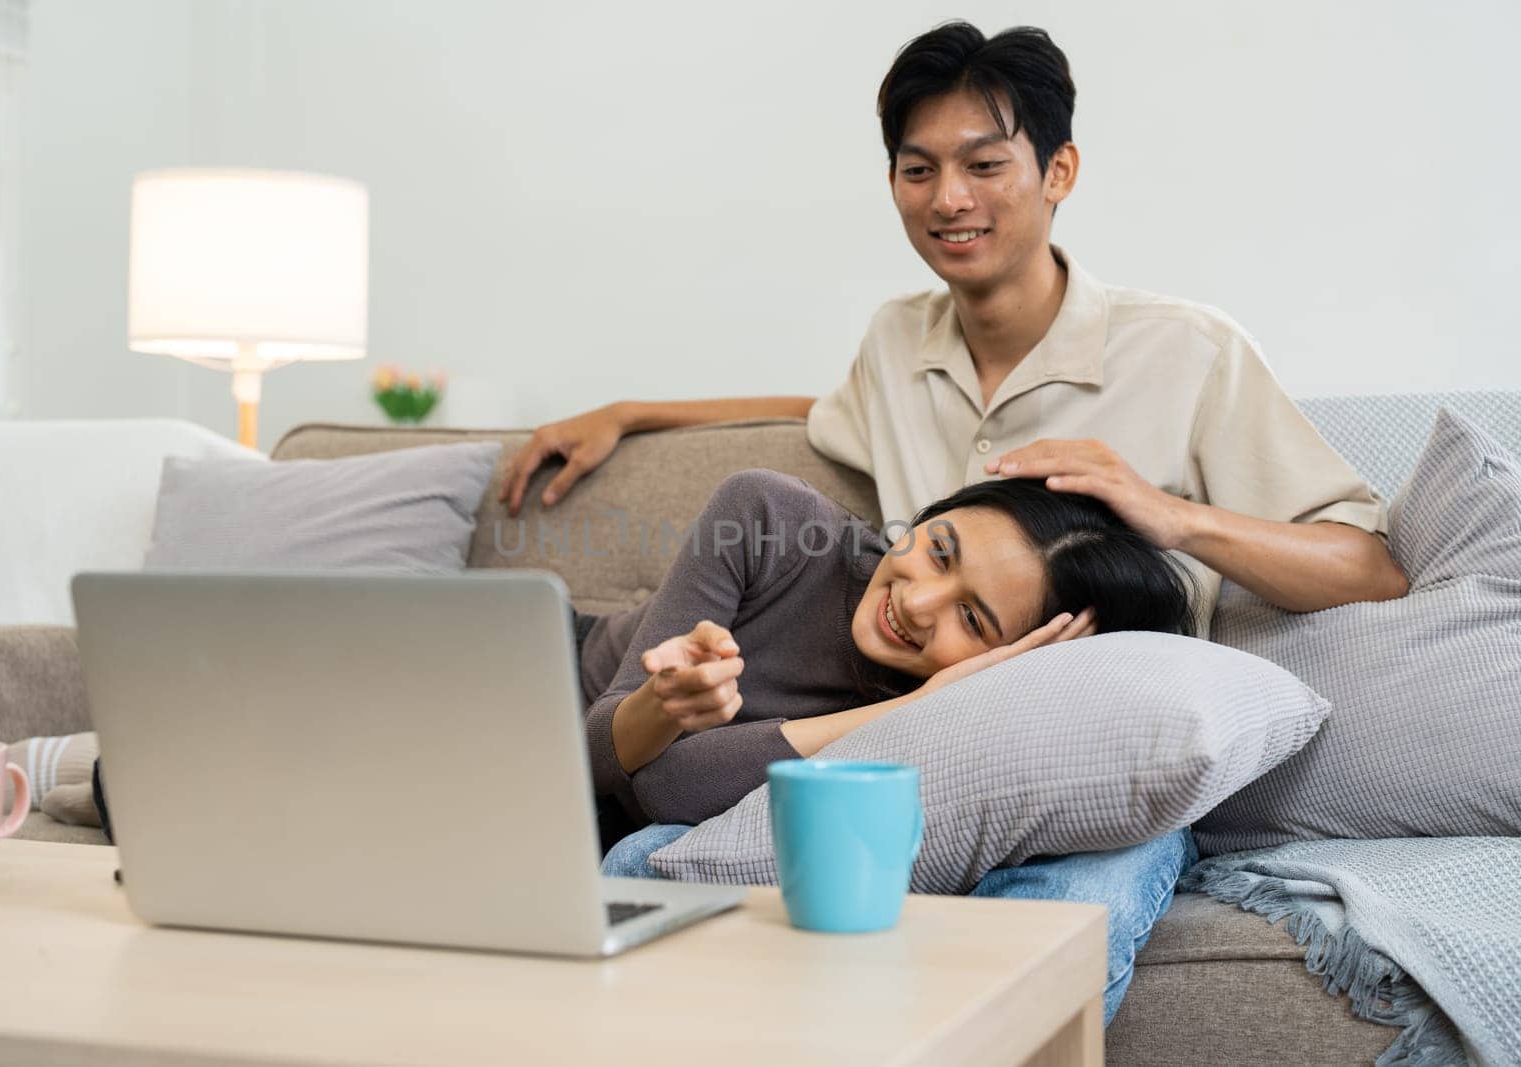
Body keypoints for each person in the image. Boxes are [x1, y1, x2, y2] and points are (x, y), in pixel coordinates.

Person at [498, 22, 1408, 1024]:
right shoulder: (897, 343)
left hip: (1105, 733)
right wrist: (632, 412)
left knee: (1077, 898)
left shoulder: (1188, 351)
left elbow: (1369, 565)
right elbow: (798, 420)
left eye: (984, 164)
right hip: (925, 722)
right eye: (917, 169)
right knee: (665, 862)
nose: (948, 199)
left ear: (1058, 169)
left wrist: (1171, 514)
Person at [579, 468, 1195, 837]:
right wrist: (663, 704)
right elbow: (599, 760)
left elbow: (675, 790)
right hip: (537, 676)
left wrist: (920, 707)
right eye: (940, 550)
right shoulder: (770, 518)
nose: (918, 602)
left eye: (973, 618)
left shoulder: (958, 715)